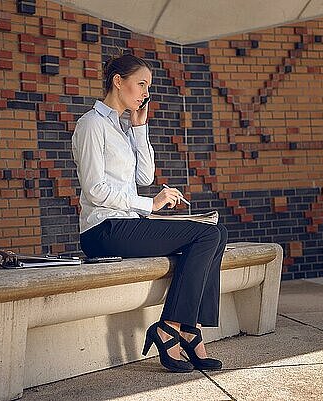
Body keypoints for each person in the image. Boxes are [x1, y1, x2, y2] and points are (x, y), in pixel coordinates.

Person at [72, 53, 228, 373]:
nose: (146, 93)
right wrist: (151, 205)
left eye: (148, 86)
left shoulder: (124, 127)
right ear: (119, 81)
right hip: (102, 230)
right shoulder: (91, 125)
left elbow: (144, 177)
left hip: (127, 223)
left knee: (217, 232)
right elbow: (94, 190)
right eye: (141, 84)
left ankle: (187, 328)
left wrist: (140, 129)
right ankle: (174, 327)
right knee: (207, 234)